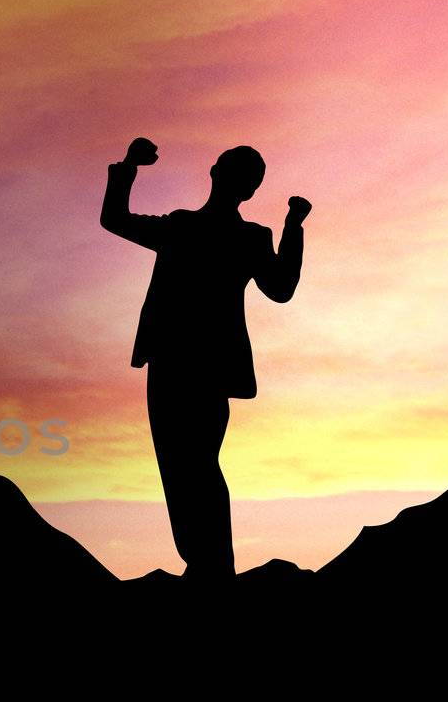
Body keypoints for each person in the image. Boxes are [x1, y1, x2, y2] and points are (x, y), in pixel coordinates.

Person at [101, 136, 310, 581]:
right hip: (179, 362)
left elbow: (280, 288)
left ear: (223, 177)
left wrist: (293, 226)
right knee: (184, 465)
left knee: (192, 464)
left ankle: (213, 566)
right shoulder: (191, 227)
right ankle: (206, 563)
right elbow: (114, 220)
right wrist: (127, 167)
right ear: (219, 174)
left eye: (243, 176)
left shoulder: (238, 236)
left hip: (196, 367)